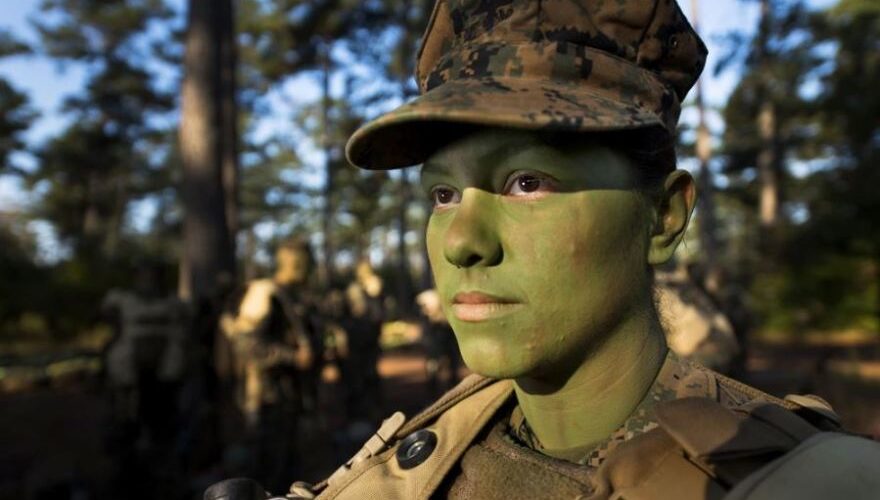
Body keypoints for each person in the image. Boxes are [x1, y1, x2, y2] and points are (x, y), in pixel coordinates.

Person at [206, 1, 880, 498]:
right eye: (442, 196)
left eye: (527, 182)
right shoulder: (416, 460)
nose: (464, 243)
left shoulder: (807, 483)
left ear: (664, 216)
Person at [217, 239, 316, 488]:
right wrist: (292, 357)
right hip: (265, 398)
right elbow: (247, 345)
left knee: (286, 465)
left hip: (287, 397)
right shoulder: (264, 292)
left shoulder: (291, 297)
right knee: (264, 469)